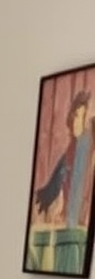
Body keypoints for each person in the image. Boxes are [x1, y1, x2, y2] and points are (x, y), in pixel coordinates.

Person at [34, 89, 95, 228]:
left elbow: (79, 194)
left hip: (74, 224)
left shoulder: (86, 147)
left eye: (79, 116)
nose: (75, 120)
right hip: (61, 220)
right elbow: (51, 189)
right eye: (74, 115)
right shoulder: (69, 152)